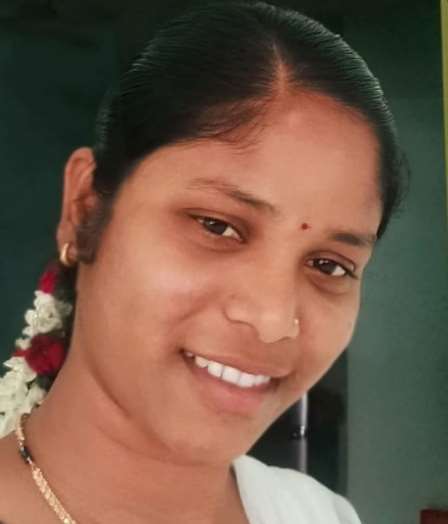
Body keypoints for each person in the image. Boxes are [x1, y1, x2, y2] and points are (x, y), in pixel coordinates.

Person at [0, 1, 406, 523]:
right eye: (217, 226)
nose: (272, 320)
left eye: (330, 266)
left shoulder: (317, 514)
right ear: (84, 209)